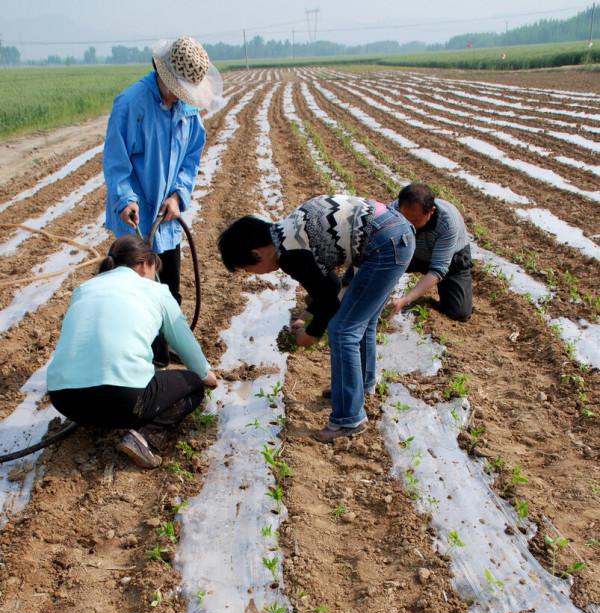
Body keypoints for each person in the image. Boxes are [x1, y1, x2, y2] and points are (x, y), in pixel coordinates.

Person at [218, 195, 415, 442]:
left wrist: (310, 335)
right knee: (359, 321)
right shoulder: (286, 232)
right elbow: (327, 286)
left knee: (343, 330)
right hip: (394, 232)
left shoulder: (290, 254)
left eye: (248, 269)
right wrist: (305, 318)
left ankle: (349, 419)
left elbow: (329, 301)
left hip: (386, 243)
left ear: (256, 254)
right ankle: (359, 387)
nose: (253, 274)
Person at [47, 235, 217, 469]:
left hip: (64, 399)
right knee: (193, 384)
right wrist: (206, 375)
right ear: (145, 264)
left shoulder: (84, 288)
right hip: (122, 400)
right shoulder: (156, 291)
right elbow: (186, 346)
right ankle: (146, 438)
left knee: (105, 395)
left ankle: (101, 418)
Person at [103, 36, 222, 365]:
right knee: (139, 293)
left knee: (169, 289)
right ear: (163, 73)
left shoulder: (187, 110)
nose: (183, 96)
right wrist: (126, 200)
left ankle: (165, 350)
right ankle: (145, 357)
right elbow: (116, 164)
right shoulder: (130, 105)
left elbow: (191, 159)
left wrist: (177, 195)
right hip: (136, 221)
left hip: (166, 219)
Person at [388, 183, 472, 322]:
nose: (408, 224)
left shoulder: (447, 222)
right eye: (404, 218)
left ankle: (426, 299)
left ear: (431, 211)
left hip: (450, 258)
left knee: (459, 313)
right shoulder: (393, 209)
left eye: (415, 220)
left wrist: (405, 299)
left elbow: (438, 269)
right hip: (411, 252)